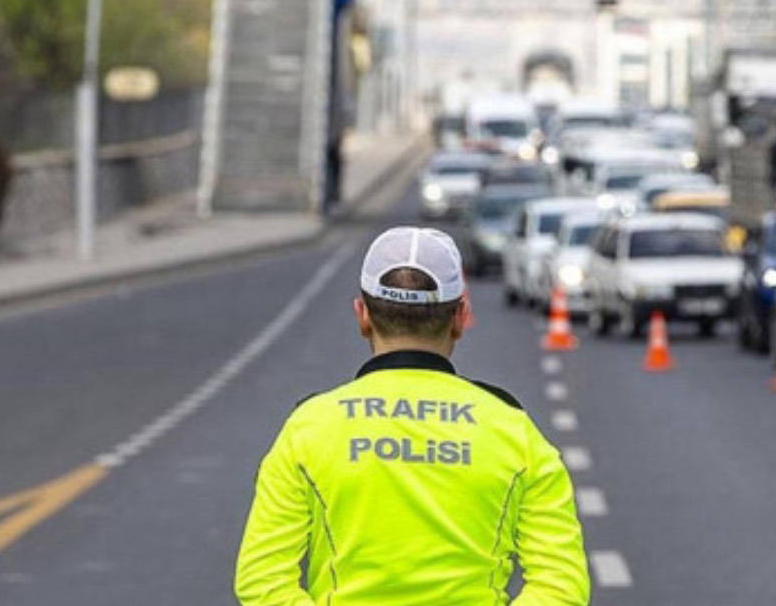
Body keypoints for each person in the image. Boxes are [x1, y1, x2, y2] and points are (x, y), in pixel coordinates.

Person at [235, 227, 590, 605]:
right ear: (460, 317)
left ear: (363, 315)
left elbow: (262, 579)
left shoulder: (310, 427)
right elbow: (561, 585)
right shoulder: (513, 429)